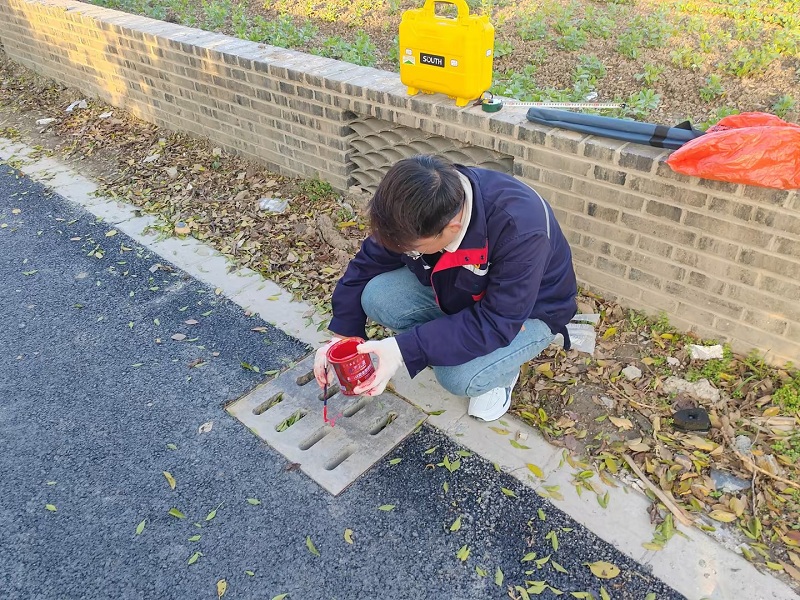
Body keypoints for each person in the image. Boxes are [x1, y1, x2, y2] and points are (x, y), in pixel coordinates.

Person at [313, 154, 578, 422]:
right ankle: (446, 340)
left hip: (529, 311)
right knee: (376, 296)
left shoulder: (521, 230)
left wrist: (403, 350)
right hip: (460, 289)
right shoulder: (418, 204)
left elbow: (498, 321)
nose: (403, 252)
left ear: (453, 227)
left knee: (457, 376)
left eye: (411, 249)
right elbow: (368, 262)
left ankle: (502, 373)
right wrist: (343, 335)